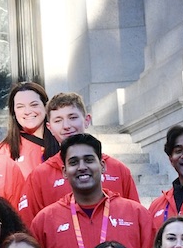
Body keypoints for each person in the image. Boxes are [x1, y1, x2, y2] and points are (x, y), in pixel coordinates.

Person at [30, 133, 152, 248]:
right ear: (64, 171)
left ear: (102, 165)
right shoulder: (45, 221)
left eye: (89, 160)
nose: (81, 167)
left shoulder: (136, 214)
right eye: (73, 162)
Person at [16, 92, 140, 221]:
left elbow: (136, 219)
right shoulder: (39, 177)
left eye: (73, 117)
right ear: (50, 128)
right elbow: (29, 228)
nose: (66, 126)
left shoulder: (119, 170)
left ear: (87, 120)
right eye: (58, 120)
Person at [3, 81, 56, 177]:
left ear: (45, 107)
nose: (27, 111)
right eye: (20, 107)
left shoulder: (62, 141)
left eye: (34, 105)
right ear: (13, 112)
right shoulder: (5, 151)